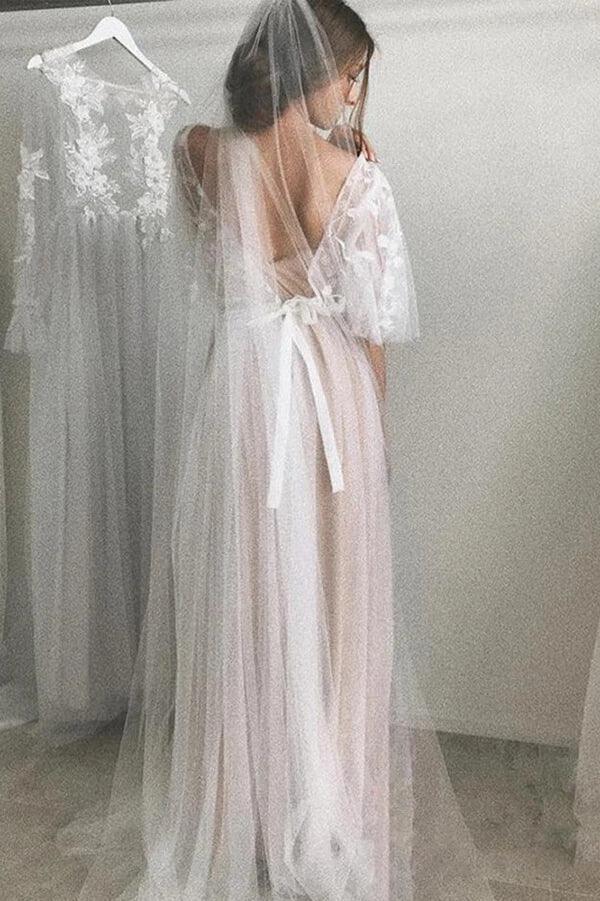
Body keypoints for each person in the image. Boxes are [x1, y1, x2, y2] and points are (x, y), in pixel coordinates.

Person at [60, 1, 495, 897]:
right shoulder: (353, 176)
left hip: (240, 397)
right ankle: (320, 807)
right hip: (328, 402)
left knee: (243, 596)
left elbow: (210, 269)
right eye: (351, 75)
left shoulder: (194, 154)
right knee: (333, 601)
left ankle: (239, 808)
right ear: (316, 71)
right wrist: (375, 442)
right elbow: (371, 326)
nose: (354, 95)